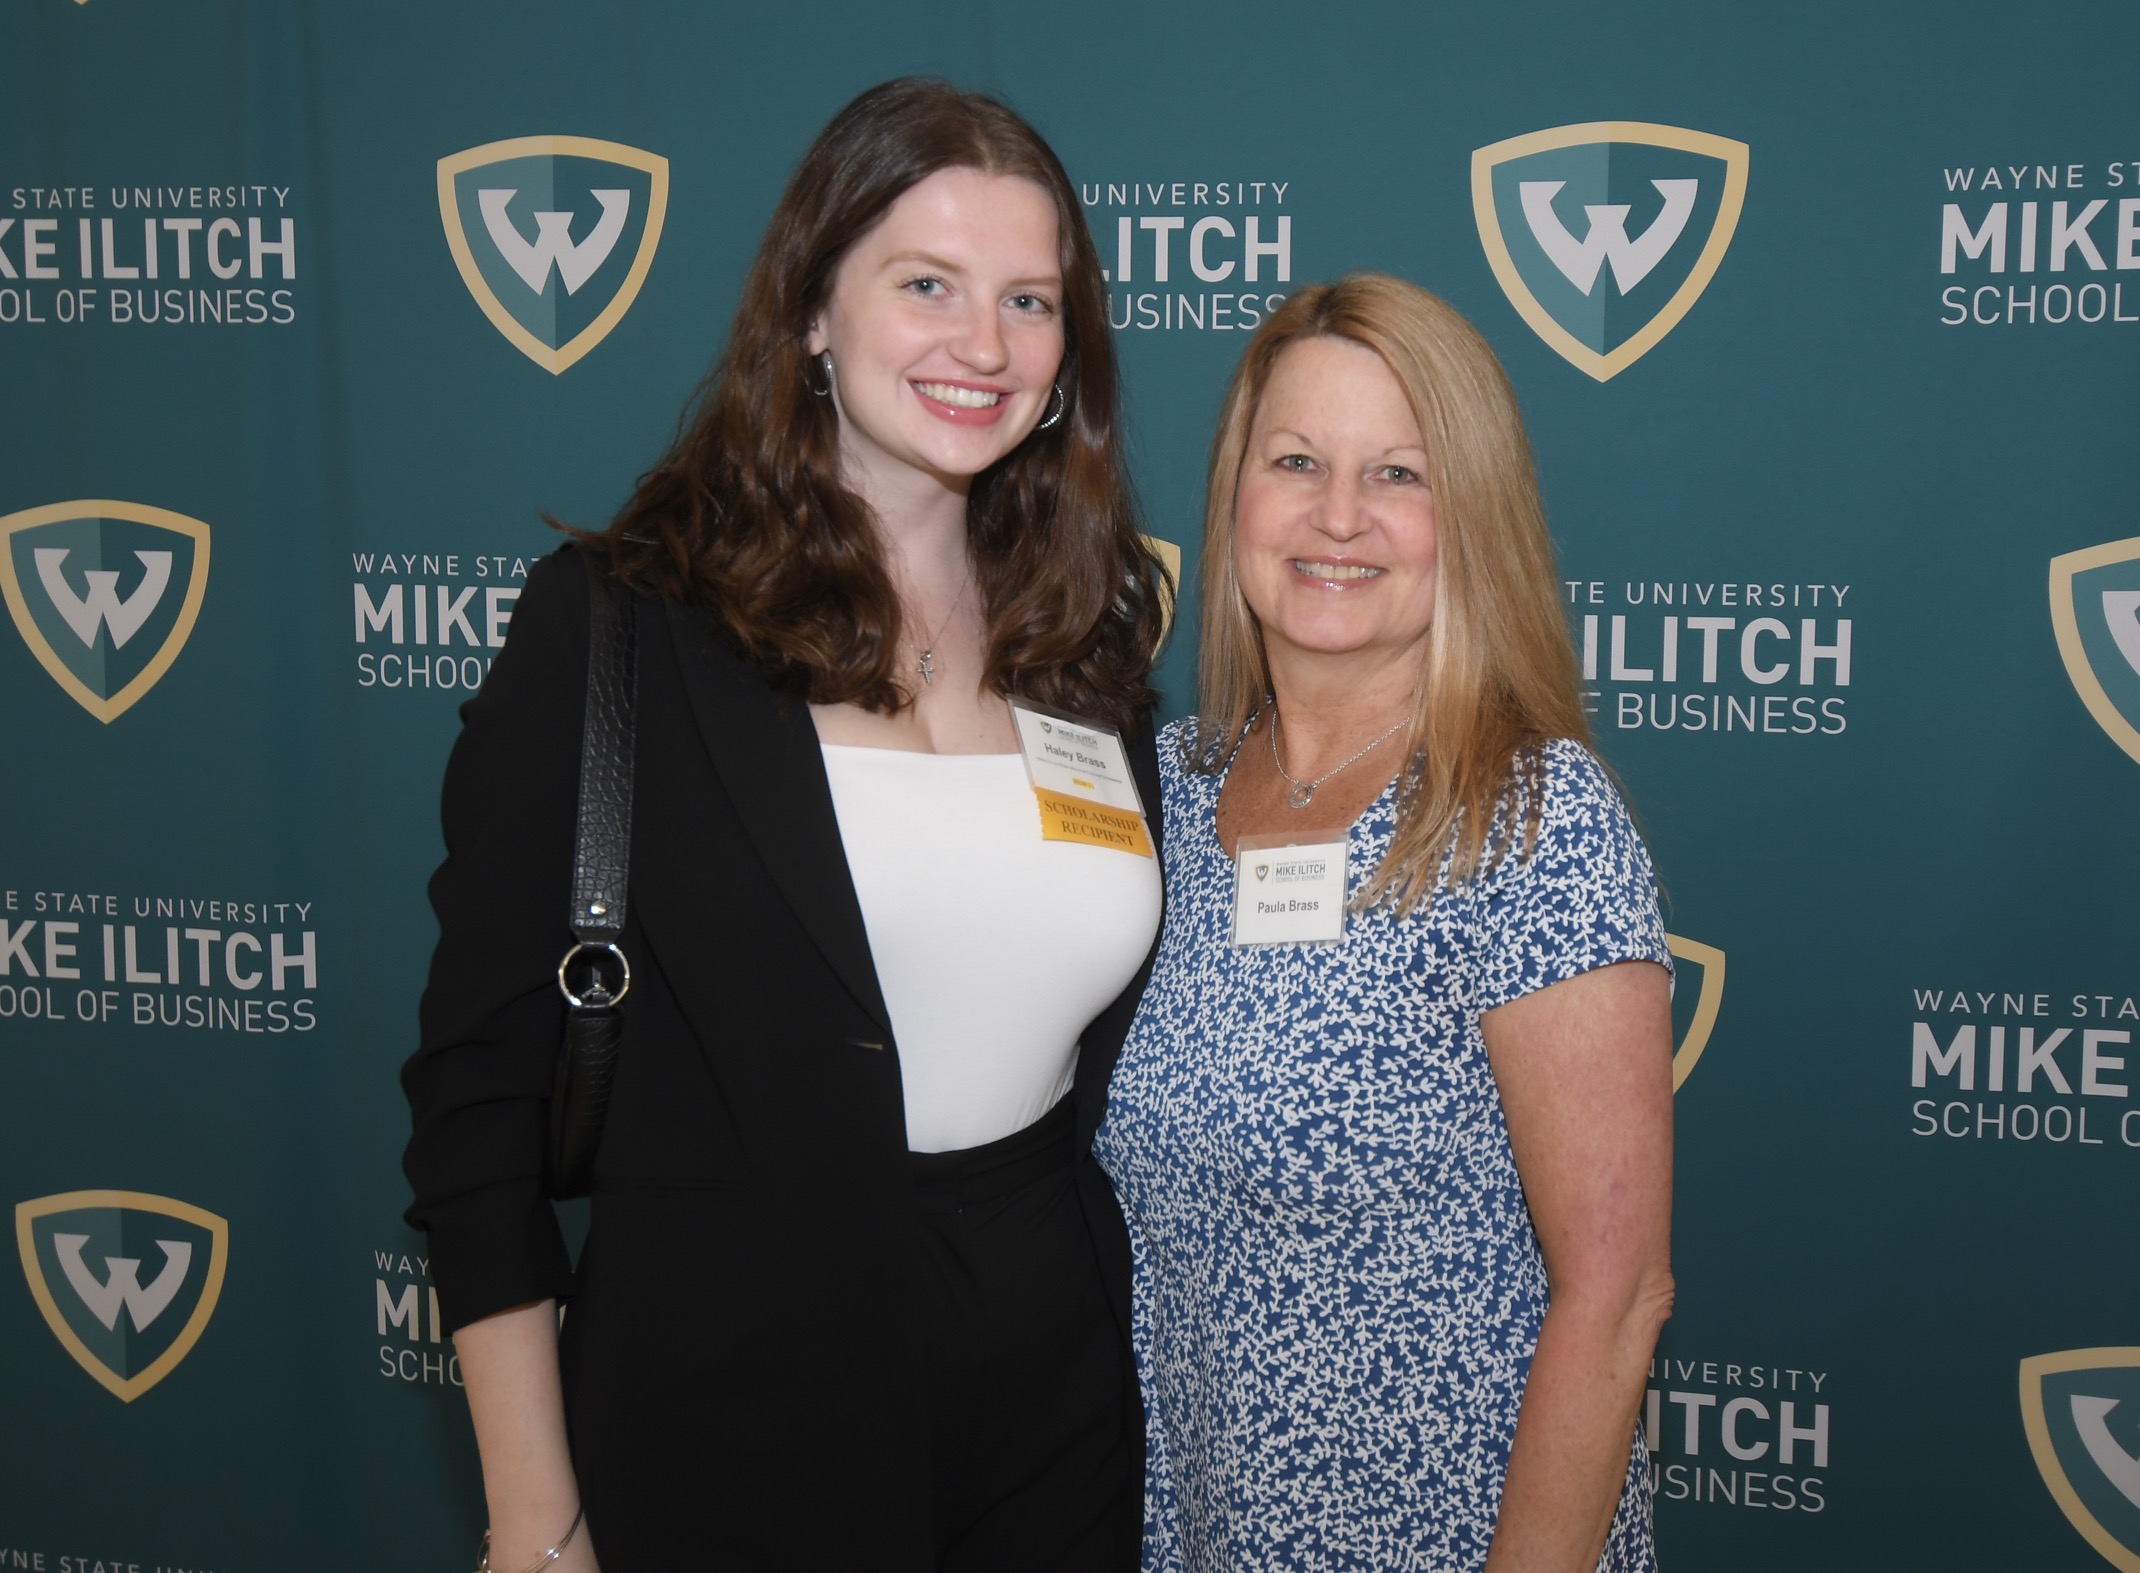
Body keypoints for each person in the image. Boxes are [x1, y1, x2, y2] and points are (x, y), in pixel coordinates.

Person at [402, 78, 1170, 1573]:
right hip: (727, 1405)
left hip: (1057, 1404)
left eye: (1031, 300)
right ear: (815, 307)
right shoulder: (622, 627)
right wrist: (534, 1517)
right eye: (927, 284)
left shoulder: (1091, 646)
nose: (985, 345)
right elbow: (474, 1105)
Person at [1093, 273, 1674, 1573]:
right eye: (1296, 459)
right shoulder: (1160, 796)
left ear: (1469, 517)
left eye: (1399, 475)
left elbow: (1619, 1293)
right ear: (1234, 493)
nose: (1338, 514)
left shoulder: (1527, 820)